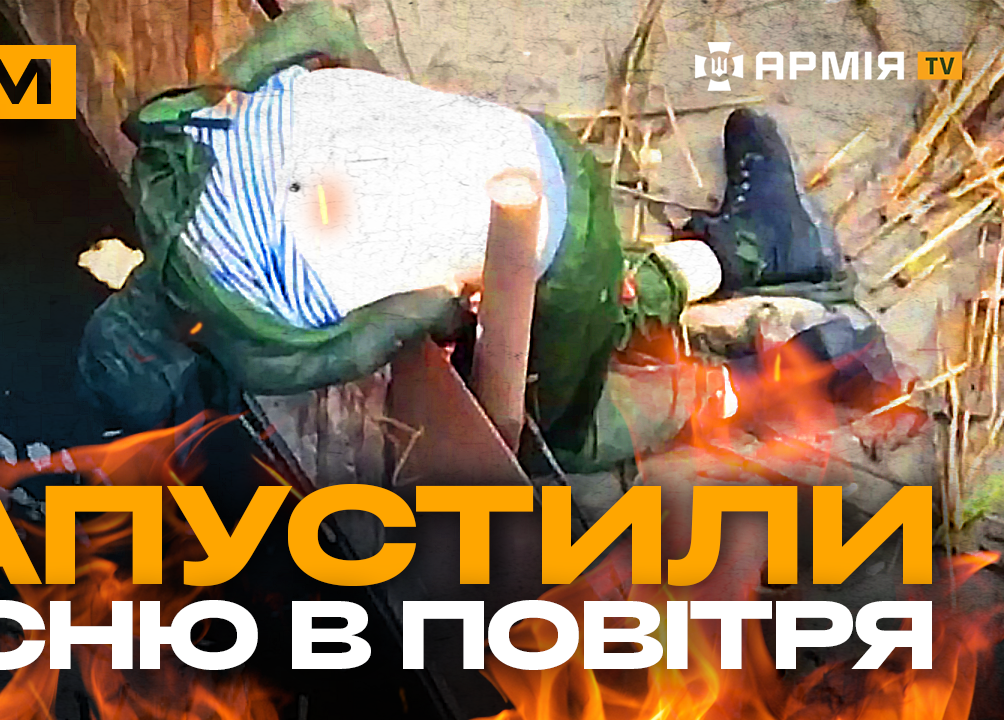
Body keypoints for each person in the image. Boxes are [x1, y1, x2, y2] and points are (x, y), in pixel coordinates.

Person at [78, 1, 851, 470]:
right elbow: (320, 23)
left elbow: (418, 312)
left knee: (558, 432)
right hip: (525, 141)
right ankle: (743, 251)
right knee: (556, 305)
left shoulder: (255, 353)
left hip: (545, 229)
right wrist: (389, 119)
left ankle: (772, 377)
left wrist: (458, 309)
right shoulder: (163, 151)